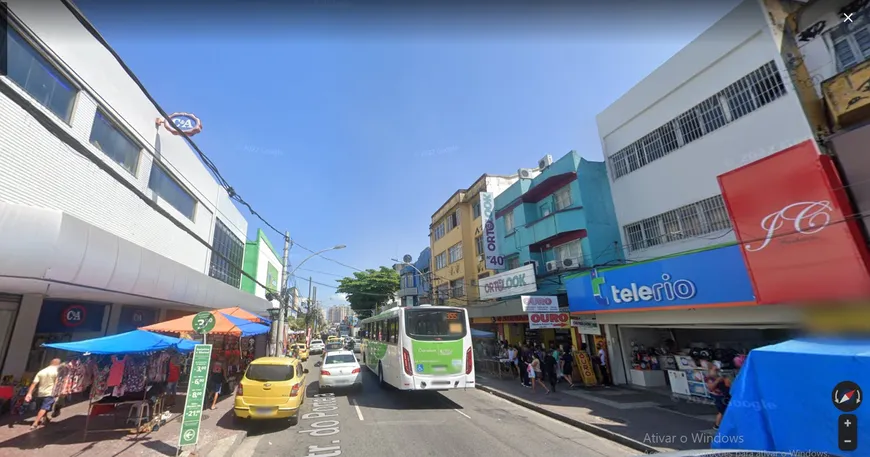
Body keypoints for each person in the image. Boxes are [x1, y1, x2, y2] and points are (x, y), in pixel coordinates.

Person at [24, 358, 61, 430]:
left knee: (44, 407)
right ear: (58, 364)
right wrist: (58, 393)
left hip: (40, 392)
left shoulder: (41, 371)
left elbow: (34, 383)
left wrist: (29, 393)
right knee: (44, 408)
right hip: (50, 392)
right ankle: (35, 423)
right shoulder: (57, 372)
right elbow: (57, 383)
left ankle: (45, 418)